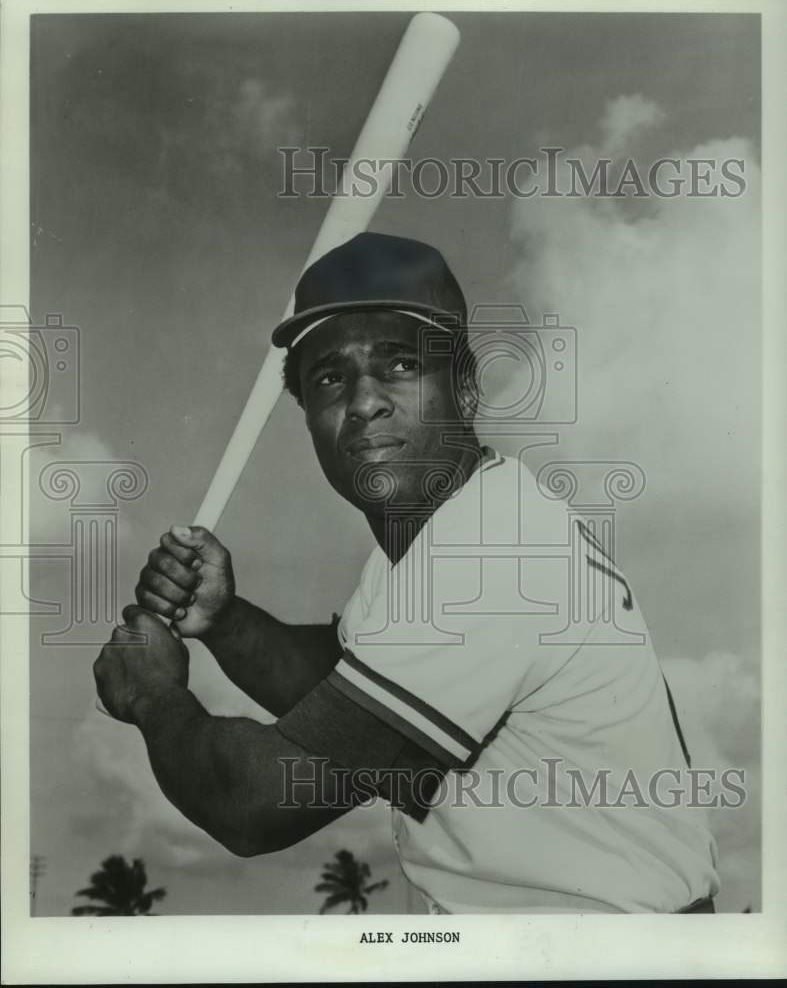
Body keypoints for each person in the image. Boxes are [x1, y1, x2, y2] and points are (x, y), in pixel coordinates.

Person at [94, 231, 720, 913]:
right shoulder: (438, 541)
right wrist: (223, 620)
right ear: (308, 417)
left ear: (467, 390)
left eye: (398, 364)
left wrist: (151, 694)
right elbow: (341, 696)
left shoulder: (491, 553)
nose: (363, 401)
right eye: (329, 377)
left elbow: (254, 803)